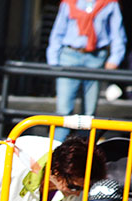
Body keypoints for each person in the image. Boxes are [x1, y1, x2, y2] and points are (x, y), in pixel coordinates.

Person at [47, 0, 127, 142]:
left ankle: (85, 153)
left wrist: (115, 58)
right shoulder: (70, 2)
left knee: (89, 113)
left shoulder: (109, 3)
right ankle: (55, 150)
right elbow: (58, 32)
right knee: (63, 111)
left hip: (95, 57)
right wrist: (53, 60)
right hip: (69, 55)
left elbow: (117, 34)